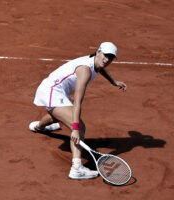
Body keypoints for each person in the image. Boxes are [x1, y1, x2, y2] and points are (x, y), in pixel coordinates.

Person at [29, 42, 127, 179]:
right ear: (98, 52)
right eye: (105, 55)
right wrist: (75, 128)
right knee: (79, 127)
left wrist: (113, 81)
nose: (107, 60)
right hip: (51, 92)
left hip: (53, 88)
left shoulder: (94, 60)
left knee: (60, 116)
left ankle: (39, 127)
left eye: (110, 57)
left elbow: (100, 68)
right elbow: (77, 102)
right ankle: (77, 168)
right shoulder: (85, 71)